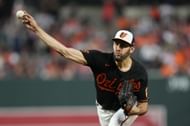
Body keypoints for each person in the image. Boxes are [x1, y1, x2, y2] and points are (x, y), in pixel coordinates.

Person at [18, 10, 149, 126]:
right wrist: (36, 29)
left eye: (123, 45)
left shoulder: (138, 72)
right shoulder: (100, 60)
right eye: (116, 43)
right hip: (103, 109)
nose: (118, 48)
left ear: (131, 49)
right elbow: (65, 52)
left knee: (115, 122)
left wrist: (133, 110)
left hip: (126, 109)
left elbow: (143, 106)